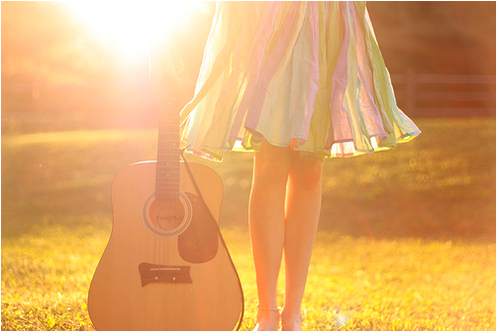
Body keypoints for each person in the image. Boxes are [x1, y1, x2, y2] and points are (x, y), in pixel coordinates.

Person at [178, 2, 420, 330]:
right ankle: (267, 310)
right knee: (270, 162)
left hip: (328, 15)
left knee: (310, 166)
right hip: (272, 13)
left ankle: (293, 312)